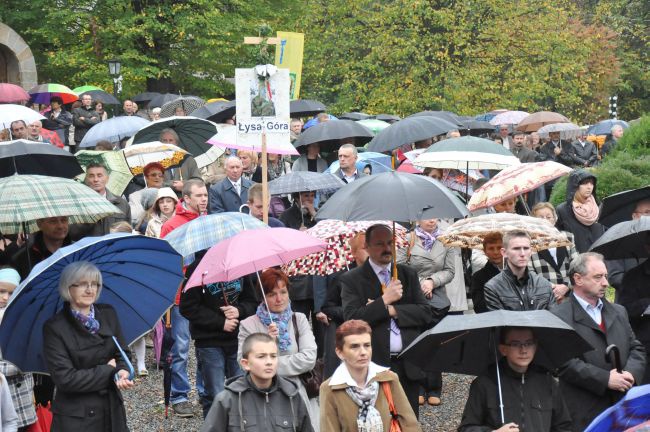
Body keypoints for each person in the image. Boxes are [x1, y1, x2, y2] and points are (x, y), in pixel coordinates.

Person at [340, 224, 435, 416]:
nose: (386, 248)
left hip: (407, 362)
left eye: (390, 243)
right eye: (379, 244)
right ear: (366, 246)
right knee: (378, 421)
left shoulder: (407, 274)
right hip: (373, 364)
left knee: (408, 421)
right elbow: (351, 319)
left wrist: (392, 309)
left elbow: (425, 312)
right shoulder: (352, 279)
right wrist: (384, 300)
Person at [552, 252, 646, 432]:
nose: (606, 283)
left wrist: (630, 375)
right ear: (578, 279)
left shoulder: (618, 311)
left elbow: (636, 347)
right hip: (585, 410)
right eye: (598, 277)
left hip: (623, 406)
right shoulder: (560, 316)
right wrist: (606, 379)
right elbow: (564, 363)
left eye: (605, 276)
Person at [42, 261, 134, 431]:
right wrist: (108, 371)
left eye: (94, 284)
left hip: (112, 410)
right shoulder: (55, 327)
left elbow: (122, 353)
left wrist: (122, 371)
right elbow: (66, 379)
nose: (90, 290)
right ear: (68, 287)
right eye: (83, 284)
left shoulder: (108, 313)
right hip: (77, 418)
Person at [237, 269, 319, 430]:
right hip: (264, 395)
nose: (279, 299)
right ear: (262, 297)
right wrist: (267, 342)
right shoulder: (248, 325)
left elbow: (309, 357)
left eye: (283, 292)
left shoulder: (299, 319)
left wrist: (268, 365)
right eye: (272, 294)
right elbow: (244, 362)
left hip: (299, 391)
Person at [459, 327, 572, 432]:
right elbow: (466, 428)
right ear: (503, 349)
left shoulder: (547, 382)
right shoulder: (485, 384)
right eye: (515, 344)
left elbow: (563, 426)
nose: (523, 350)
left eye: (528, 343)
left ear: (535, 346)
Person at [180, 265, 258, 417]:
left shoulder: (240, 265)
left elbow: (252, 302)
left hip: (238, 340)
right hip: (209, 342)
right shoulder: (198, 268)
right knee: (216, 394)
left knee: (240, 392)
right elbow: (188, 307)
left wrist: (239, 310)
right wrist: (220, 323)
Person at [160, 179, 209, 418]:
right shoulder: (171, 226)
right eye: (199, 195)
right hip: (181, 295)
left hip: (205, 294)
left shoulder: (209, 221)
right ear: (186, 198)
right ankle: (180, 395)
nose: (203, 199)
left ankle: (204, 391)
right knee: (180, 348)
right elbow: (166, 261)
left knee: (204, 345)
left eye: (206, 195)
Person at [320, 320, 421, 431]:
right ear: (340, 353)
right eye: (354, 346)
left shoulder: (389, 378)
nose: (363, 352)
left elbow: (410, 424)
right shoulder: (329, 389)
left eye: (367, 345)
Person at [397, 218, 456, 406]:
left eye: (435, 217)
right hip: (412, 296)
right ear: (417, 220)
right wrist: (420, 283)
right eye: (427, 217)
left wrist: (432, 281)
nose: (432, 220)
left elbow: (450, 271)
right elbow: (398, 266)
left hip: (437, 298)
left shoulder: (447, 240)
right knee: (415, 340)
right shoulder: (407, 239)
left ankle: (434, 386)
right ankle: (418, 385)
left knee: (435, 341)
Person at [201, 333, 313, 432]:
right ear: (245, 364)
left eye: (273, 356)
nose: (269, 362)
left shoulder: (292, 395)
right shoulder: (227, 399)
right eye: (261, 356)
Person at [0, 267, 36, 430]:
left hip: (21, 399)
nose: (5, 298)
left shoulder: (24, 319)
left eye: (11, 293)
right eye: (1, 291)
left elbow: (29, 357)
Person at [484, 231, 554, 311]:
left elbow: (553, 319)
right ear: (504, 252)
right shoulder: (493, 287)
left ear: (531, 251)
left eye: (526, 248)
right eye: (516, 248)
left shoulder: (544, 284)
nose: (522, 253)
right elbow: (499, 321)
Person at [529, 203, 577, 303]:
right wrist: (551, 288)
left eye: (548, 217)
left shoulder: (567, 237)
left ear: (555, 219)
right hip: (544, 296)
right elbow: (530, 272)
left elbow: (576, 265)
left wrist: (566, 286)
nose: (545, 220)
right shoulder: (530, 242)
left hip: (569, 294)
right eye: (541, 218)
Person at [69, 163, 131, 239]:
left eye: (99, 175)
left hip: (114, 248)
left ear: (107, 178)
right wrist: (90, 216)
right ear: (86, 179)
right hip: (90, 249)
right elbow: (72, 234)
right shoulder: (77, 204)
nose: (96, 179)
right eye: (91, 176)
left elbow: (128, 232)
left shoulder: (121, 203)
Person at [619, 235, 650, 384]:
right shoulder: (633, 277)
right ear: (647, 248)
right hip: (646, 347)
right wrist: (646, 305)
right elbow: (623, 310)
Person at [555, 170, 606, 253]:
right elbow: (559, 238)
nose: (589, 187)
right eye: (585, 183)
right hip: (577, 259)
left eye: (592, 183)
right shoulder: (563, 210)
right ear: (575, 186)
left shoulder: (598, 207)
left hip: (599, 257)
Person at [158, 128, 202, 195]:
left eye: (171, 140)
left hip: (185, 199)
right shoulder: (155, 161)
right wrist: (173, 185)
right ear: (161, 143)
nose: (168, 143)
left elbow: (198, 181)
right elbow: (154, 183)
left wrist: (185, 184)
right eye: (165, 140)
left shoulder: (188, 159)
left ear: (176, 143)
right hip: (164, 200)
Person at [471, 232, 504, 313]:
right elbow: (479, 307)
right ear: (485, 251)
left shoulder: (518, 272)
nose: (496, 252)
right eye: (491, 248)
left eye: (499, 247)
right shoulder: (478, 277)